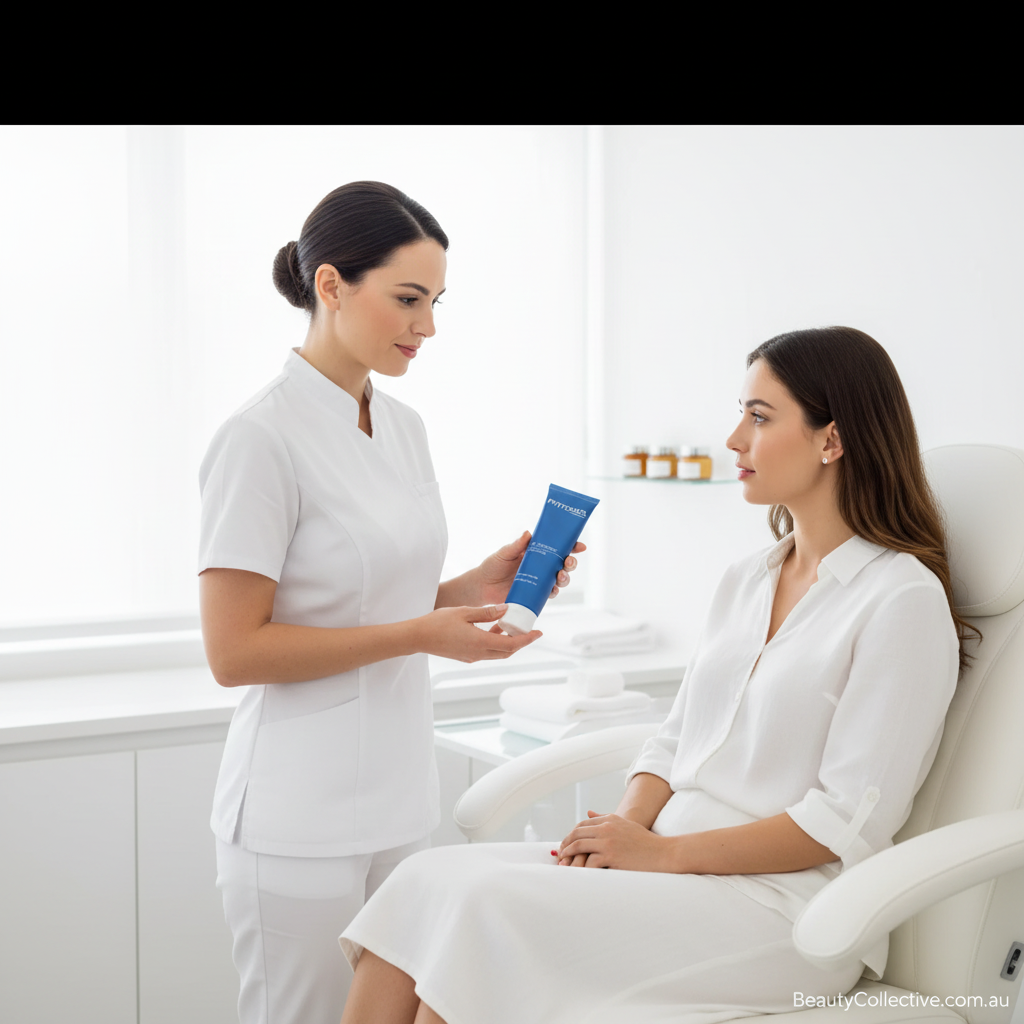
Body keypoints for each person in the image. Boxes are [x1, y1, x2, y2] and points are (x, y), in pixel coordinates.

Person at [337, 326, 974, 1024]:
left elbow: (843, 822)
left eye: (760, 418)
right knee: (424, 881)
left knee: (483, 910)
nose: (734, 439)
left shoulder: (900, 600)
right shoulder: (748, 578)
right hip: (667, 861)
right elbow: (674, 741)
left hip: (782, 908)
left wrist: (660, 855)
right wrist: (620, 832)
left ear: (833, 439)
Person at [197, 181, 583, 1024]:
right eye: (408, 299)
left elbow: (372, 597)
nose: (428, 326)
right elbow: (235, 652)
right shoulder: (258, 438)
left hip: (400, 797)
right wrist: (420, 633)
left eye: (436, 302)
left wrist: (475, 587)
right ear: (331, 285)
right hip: (297, 815)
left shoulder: (403, 426)